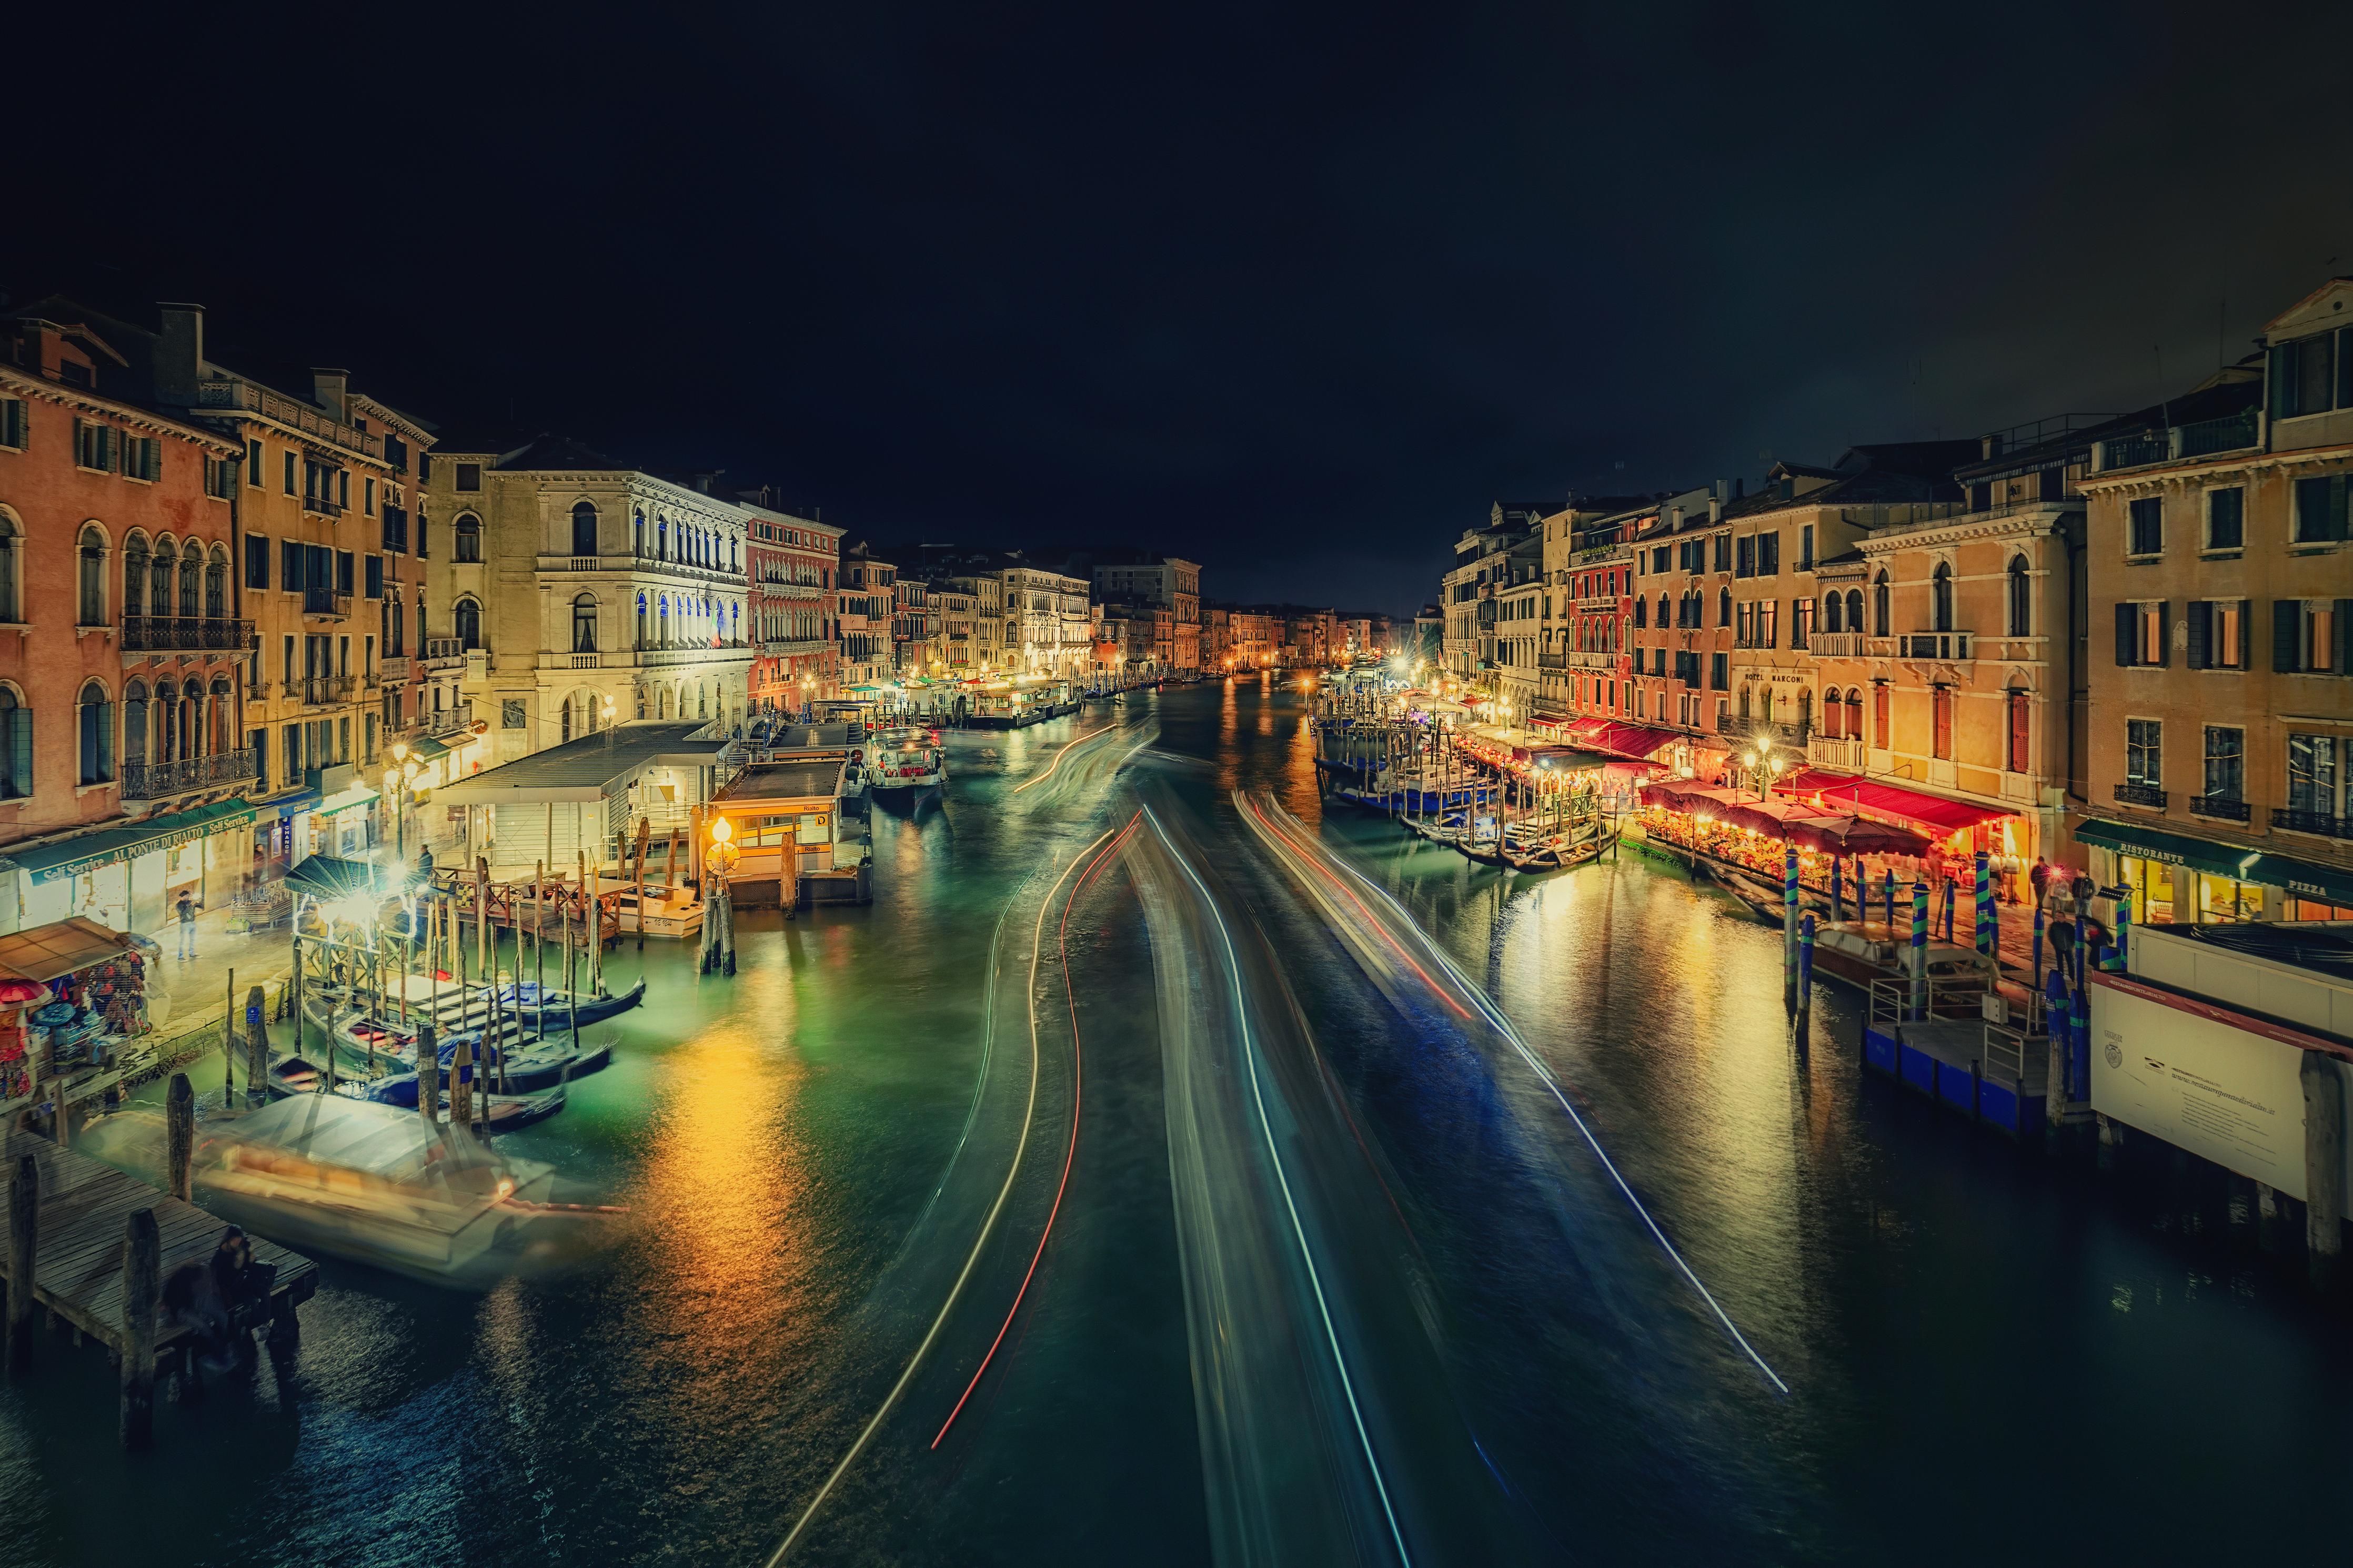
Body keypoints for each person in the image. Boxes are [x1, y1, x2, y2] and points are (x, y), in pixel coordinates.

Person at [173, 889, 200, 959]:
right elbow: (183, 913)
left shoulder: (190, 902)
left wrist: (198, 902)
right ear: (183, 896)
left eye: (189, 896)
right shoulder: (179, 905)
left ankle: (192, 953)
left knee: (193, 939)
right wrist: (190, 906)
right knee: (183, 941)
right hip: (185, 924)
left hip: (192, 923)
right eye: (187, 896)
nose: (188, 897)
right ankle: (180, 957)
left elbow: (201, 906)